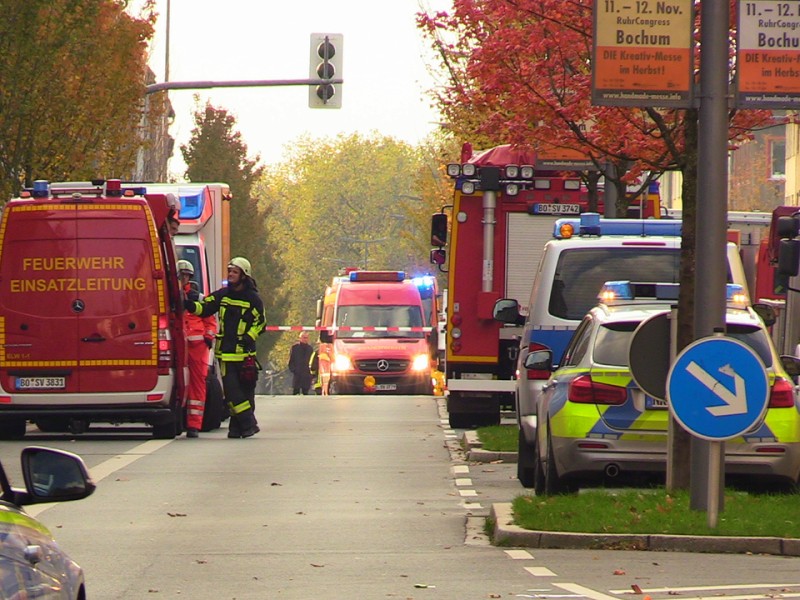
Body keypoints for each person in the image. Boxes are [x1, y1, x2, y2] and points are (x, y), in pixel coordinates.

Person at [184, 256, 265, 438]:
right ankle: (249, 423)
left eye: (234, 272)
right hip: (226, 355)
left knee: (245, 394)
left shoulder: (253, 299)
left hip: (245, 354)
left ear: (244, 275)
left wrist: (248, 337)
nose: (230, 275)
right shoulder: (223, 294)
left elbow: (261, 323)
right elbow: (205, 308)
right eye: (229, 271)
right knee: (231, 393)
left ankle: (237, 428)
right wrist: (189, 305)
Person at [177, 260, 217, 438]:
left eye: (185, 275)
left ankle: (193, 425)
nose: (182, 278)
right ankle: (176, 420)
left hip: (197, 347)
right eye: (180, 275)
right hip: (177, 345)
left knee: (197, 384)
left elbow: (210, 322)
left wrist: (208, 337)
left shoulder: (198, 298)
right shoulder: (167, 296)